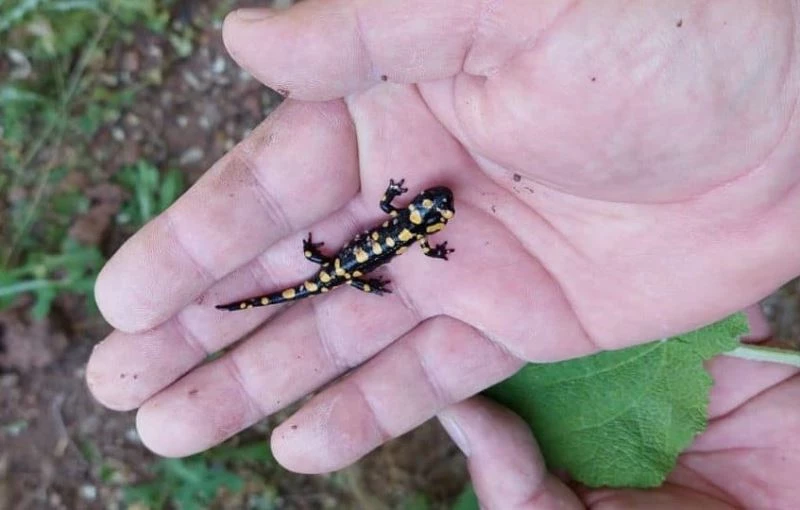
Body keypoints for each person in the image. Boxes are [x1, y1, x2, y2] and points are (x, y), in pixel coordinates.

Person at [86, 1, 800, 507]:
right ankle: (277, 289)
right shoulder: (406, 228)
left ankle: (286, 287)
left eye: (429, 211)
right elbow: (404, 226)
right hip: (349, 265)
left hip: (354, 261)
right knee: (318, 276)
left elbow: (404, 224)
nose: (430, 209)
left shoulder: (406, 225)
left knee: (320, 275)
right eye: (430, 210)